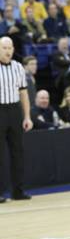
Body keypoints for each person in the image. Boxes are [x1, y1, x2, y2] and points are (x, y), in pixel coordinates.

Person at [0, 36, 33, 201]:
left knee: (17, 152)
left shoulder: (18, 67)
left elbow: (24, 93)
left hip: (14, 111)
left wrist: (27, 116)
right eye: (4, 48)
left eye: (10, 48)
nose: (8, 51)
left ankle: (18, 191)